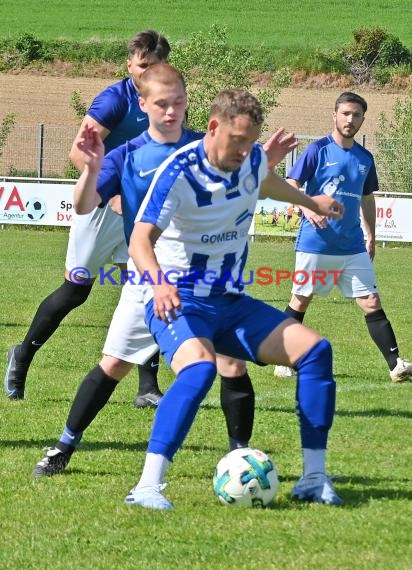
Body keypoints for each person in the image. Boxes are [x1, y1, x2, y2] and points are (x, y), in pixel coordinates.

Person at [32, 64, 286, 476]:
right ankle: (63, 446)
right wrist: (92, 170)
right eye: (162, 104)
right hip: (148, 279)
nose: (172, 112)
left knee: (231, 364)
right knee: (114, 364)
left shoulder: (208, 144)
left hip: (206, 280)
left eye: (179, 103)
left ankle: (242, 456)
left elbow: (245, 181)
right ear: (144, 104)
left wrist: (264, 167)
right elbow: (83, 205)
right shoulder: (129, 155)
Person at [122, 88, 345, 510]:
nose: (244, 150)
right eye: (237, 140)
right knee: (199, 370)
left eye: (250, 141)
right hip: (179, 300)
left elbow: (266, 180)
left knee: (316, 351)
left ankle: (314, 478)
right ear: (212, 127)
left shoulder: (252, 159)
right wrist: (159, 283)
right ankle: (148, 486)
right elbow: (138, 240)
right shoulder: (179, 171)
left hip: (230, 302)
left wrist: (309, 200)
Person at [4, 30, 171, 407]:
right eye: (142, 67)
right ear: (130, 64)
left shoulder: (169, 101)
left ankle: (147, 388)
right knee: (76, 291)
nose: (148, 74)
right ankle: (22, 356)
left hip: (141, 213)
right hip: (100, 207)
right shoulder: (114, 100)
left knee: (145, 287)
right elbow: (77, 155)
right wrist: (113, 191)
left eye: (155, 67)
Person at [274, 91, 412, 382]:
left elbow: (366, 197)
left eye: (357, 115)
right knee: (301, 299)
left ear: (363, 118)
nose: (350, 120)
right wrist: (306, 207)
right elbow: (291, 182)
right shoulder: (317, 150)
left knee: (371, 301)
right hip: (316, 242)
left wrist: (371, 235)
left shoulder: (365, 158)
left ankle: (395, 364)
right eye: (345, 113)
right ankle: (282, 359)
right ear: (334, 115)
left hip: (351, 246)